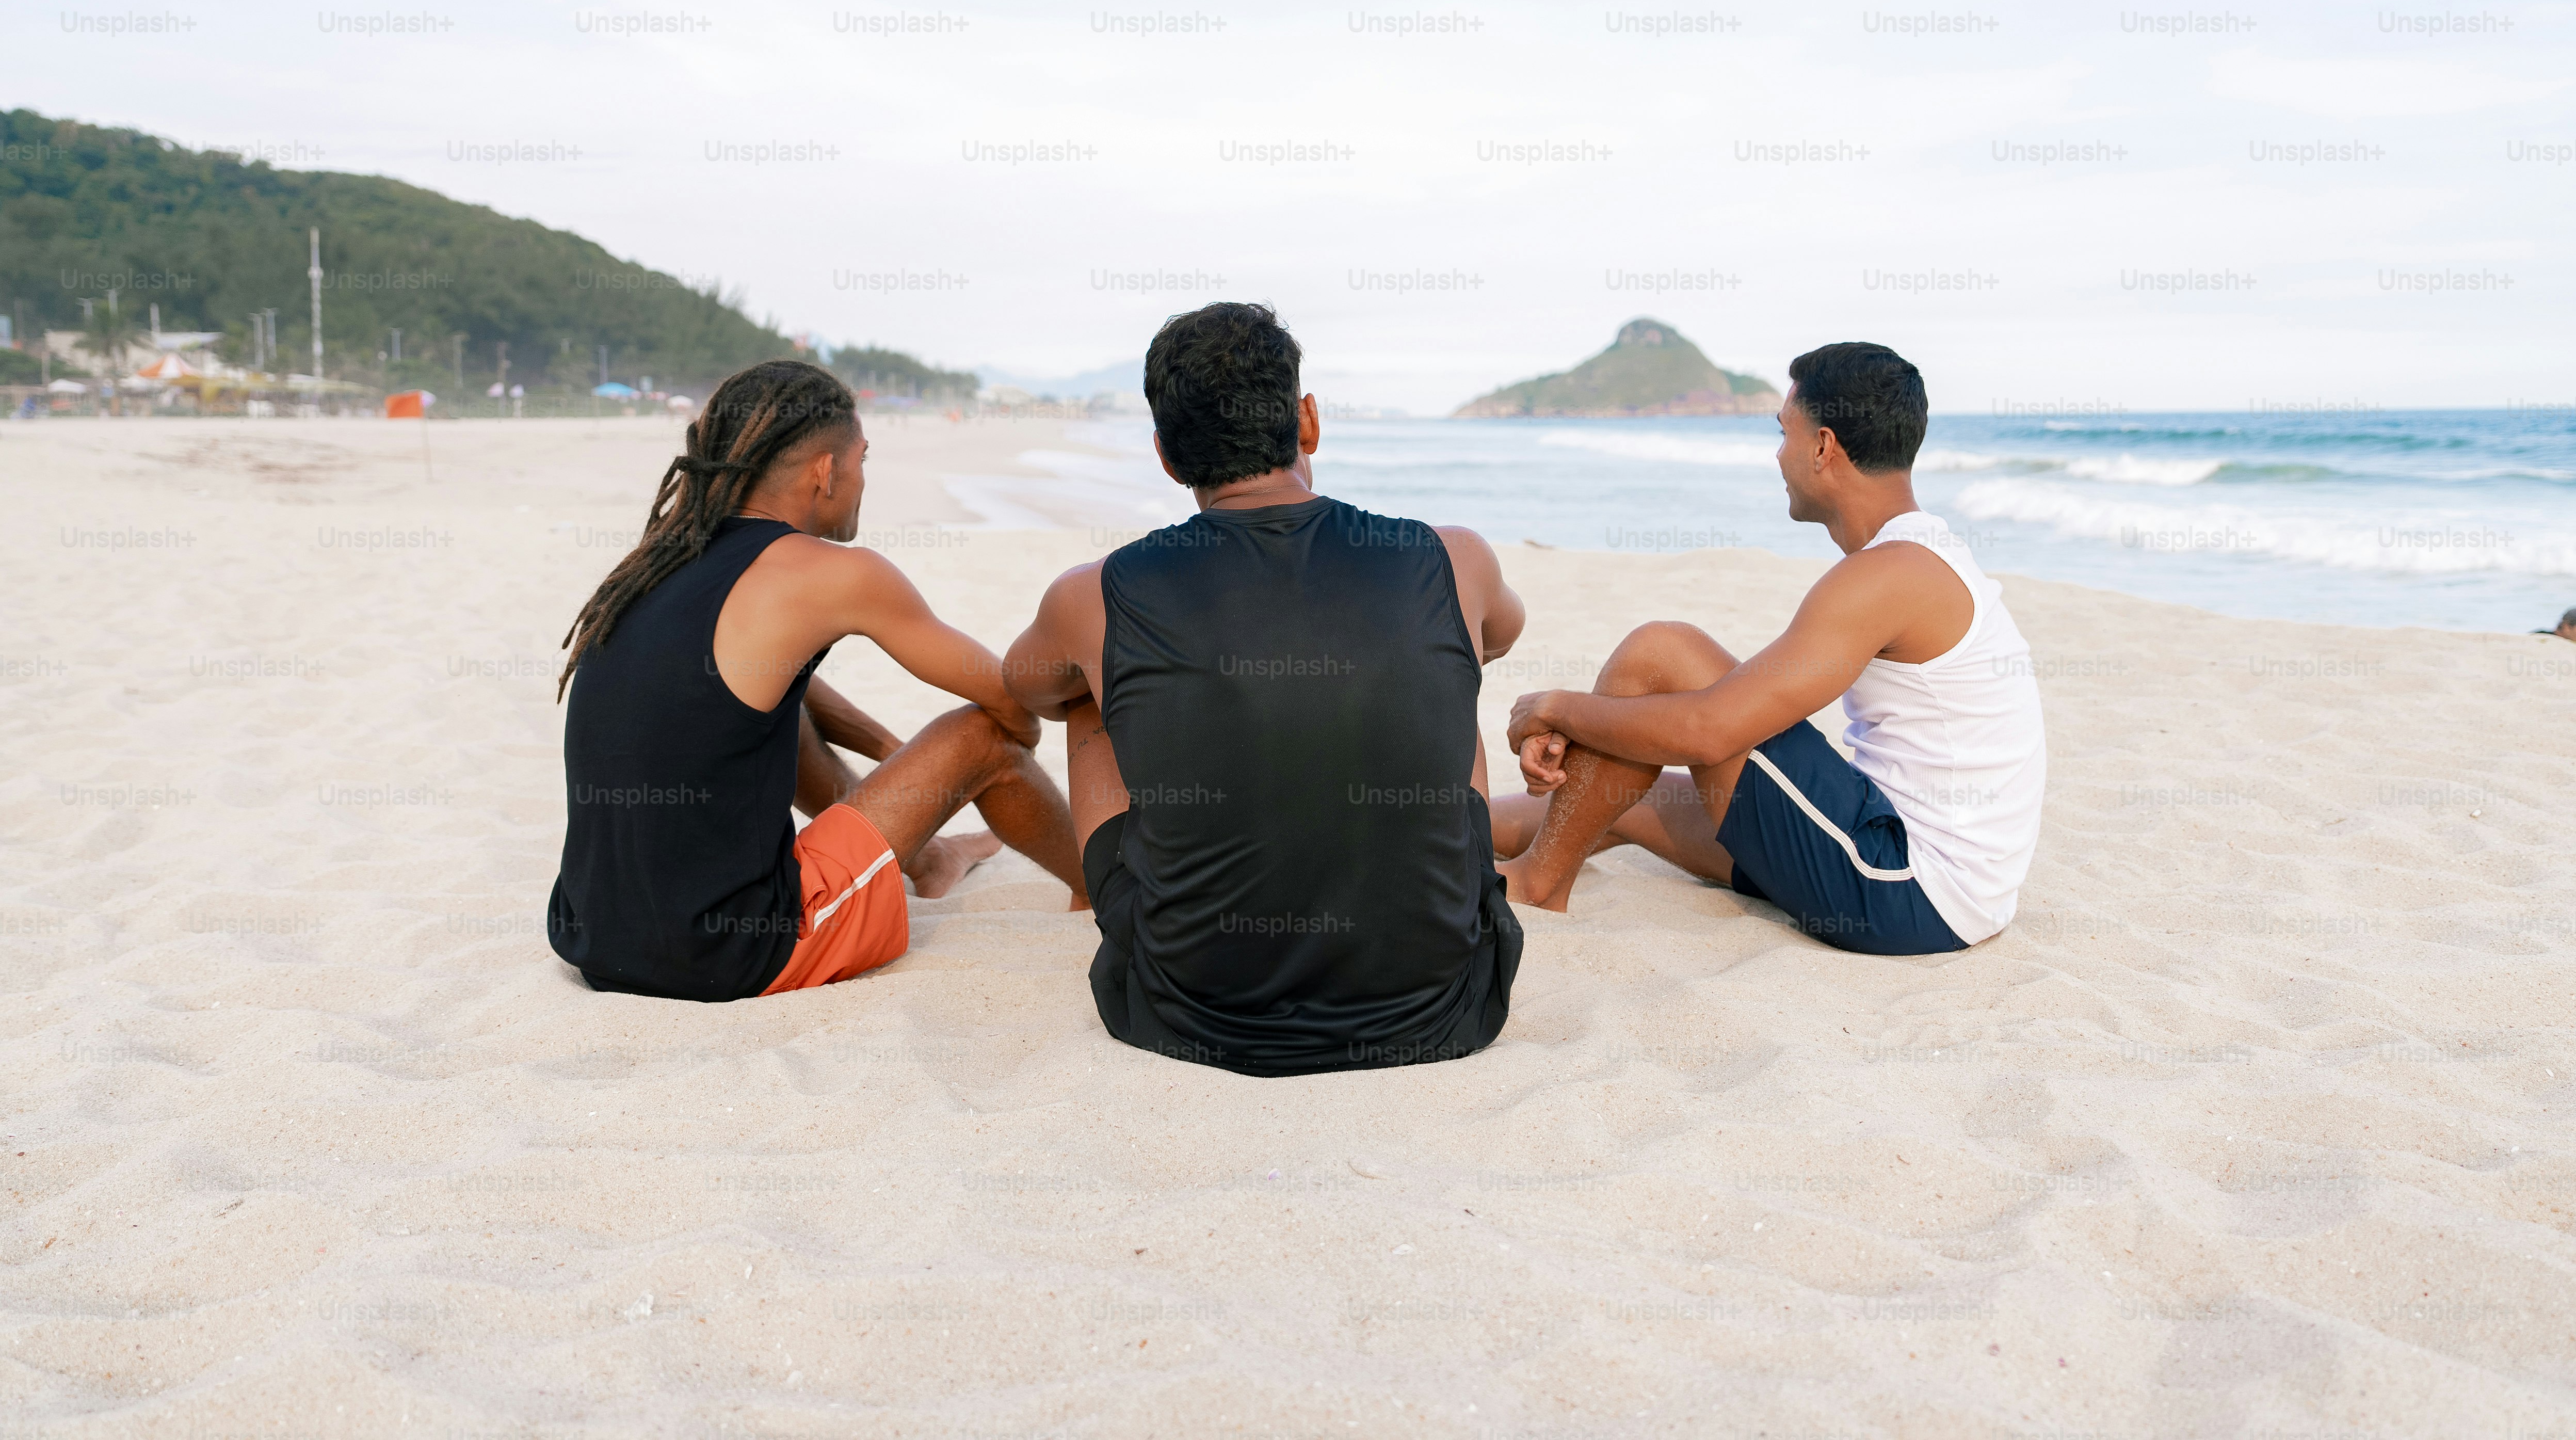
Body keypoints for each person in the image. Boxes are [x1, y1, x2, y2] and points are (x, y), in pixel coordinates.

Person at [1003, 303, 1527, 1076]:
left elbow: (1030, 690)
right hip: (1443, 1007)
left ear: (1167, 458)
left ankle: (1107, 890)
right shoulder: (1454, 555)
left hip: (1186, 1013)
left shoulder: (1095, 594)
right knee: (1447, 660)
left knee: (1090, 688)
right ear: (1307, 422)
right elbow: (1500, 635)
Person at [547, 360, 1084, 1001]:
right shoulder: (837, 572)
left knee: (776, 707)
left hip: (596, 940)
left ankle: (930, 856)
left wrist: (903, 765)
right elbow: (1006, 696)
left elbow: (743, 695)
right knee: (980, 739)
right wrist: (1002, 743)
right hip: (734, 951)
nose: (862, 479)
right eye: (862, 459)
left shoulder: (657, 564)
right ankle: (1103, 886)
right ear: (825, 472)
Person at [1494, 342, 2046, 955]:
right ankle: (1441, 834)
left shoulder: (1890, 575)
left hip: (1910, 888)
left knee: (1661, 654)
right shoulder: (1918, 557)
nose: (1778, 455)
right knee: (1617, 791)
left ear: (1822, 447)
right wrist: (1593, 742)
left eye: (1784, 432)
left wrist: (1556, 708)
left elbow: (1709, 729)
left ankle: (1537, 885)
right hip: (1930, 874)